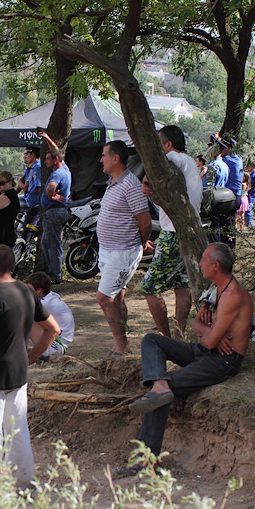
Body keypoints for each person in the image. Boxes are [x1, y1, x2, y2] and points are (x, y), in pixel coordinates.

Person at [125, 243, 252, 470]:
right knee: (151, 340)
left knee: (159, 397)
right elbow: (196, 324)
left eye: (203, 259)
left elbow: (212, 342)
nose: (199, 263)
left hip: (223, 360)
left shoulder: (233, 294)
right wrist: (207, 330)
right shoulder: (217, 288)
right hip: (205, 351)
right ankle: (160, 383)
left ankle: (143, 463)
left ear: (215, 265)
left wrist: (209, 334)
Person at [0, 245, 61, 490]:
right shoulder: (26, 291)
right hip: (19, 374)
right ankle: (25, 485)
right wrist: (30, 356)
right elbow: (54, 330)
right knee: (18, 432)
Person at [140, 125, 203, 339]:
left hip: (172, 233)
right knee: (181, 284)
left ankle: (165, 337)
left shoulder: (174, 159)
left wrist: (146, 181)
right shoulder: (190, 164)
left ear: (168, 145)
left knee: (149, 285)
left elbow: (154, 171)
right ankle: (179, 334)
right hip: (187, 230)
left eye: (160, 146)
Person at [96, 140, 150, 355]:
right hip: (109, 250)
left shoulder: (131, 184)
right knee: (117, 297)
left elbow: (144, 221)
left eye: (104, 155)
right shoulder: (114, 182)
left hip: (123, 251)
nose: (101, 159)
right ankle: (121, 344)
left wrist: (141, 243)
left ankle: (121, 348)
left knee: (104, 298)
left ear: (115, 158)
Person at [38, 132, 71, 284]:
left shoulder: (57, 174)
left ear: (55, 160)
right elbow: (56, 150)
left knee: (53, 244)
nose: (45, 162)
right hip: (57, 212)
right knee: (46, 242)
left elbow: (50, 188)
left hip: (54, 212)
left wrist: (51, 196)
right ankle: (53, 272)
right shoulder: (64, 168)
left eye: (47, 159)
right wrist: (47, 138)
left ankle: (55, 275)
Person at [25, 271, 74, 358]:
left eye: (29, 289)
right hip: (57, 343)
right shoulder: (49, 298)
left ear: (39, 290)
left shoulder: (46, 303)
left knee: (27, 318)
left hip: (57, 347)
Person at [16, 147, 42, 238]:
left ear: (33, 154)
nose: (24, 156)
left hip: (34, 203)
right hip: (29, 200)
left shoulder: (37, 167)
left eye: (26, 154)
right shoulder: (30, 168)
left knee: (28, 231)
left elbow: (28, 188)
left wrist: (19, 181)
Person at [245, 161, 255, 227]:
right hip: (252, 196)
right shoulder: (254, 175)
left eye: (249, 166)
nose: (248, 167)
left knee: (248, 211)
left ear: (253, 167)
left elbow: (250, 187)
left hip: (250, 196)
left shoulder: (254, 176)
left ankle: (251, 226)